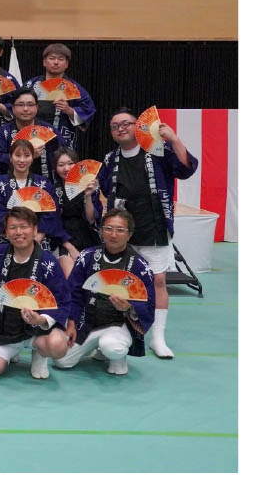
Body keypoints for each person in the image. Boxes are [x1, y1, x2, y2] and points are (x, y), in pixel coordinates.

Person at [98, 107, 198, 358]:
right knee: (118, 281)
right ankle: (115, 332)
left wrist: (173, 139)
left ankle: (158, 337)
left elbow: (186, 169)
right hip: (121, 232)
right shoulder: (110, 159)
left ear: (138, 126)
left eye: (126, 124)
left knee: (158, 281)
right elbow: (105, 189)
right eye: (114, 126)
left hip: (154, 226)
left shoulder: (158, 149)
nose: (120, 129)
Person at [55, 209, 156, 376]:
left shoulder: (140, 266)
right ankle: (97, 347)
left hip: (118, 325)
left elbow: (149, 304)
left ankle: (114, 354)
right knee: (61, 360)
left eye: (120, 230)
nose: (113, 235)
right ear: (101, 231)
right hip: (87, 323)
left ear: (129, 235)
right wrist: (71, 324)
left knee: (112, 347)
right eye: (108, 228)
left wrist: (129, 307)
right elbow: (73, 293)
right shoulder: (87, 257)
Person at [0, 207, 71, 380]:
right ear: (6, 232)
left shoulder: (48, 262)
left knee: (58, 345)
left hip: (37, 330)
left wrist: (41, 319)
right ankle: (9, 352)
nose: (19, 232)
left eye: (24, 227)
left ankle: (39, 353)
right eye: (13, 227)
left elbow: (62, 300)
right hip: (1, 329)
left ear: (35, 230)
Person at [0, 139, 78, 259]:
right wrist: (14, 232)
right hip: (9, 237)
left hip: (38, 237)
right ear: (10, 157)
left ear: (32, 158)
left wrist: (37, 236)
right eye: (18, 155)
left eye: (27, 155)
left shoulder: (43, 184)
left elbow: (51, 213)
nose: (22, 160)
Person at [21, 43, 96, 150]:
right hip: (33, 138)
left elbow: (88, 110)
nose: (56, 62)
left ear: (66, 64)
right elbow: (16, 107)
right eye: (52, 58)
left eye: (61, 59)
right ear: (44, 62)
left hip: (62, 140)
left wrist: (68, 110)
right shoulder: (31, 85)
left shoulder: (74, 88)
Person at [51, 146, 101, 275]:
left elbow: (91, 219)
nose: (66, 168)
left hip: (87, 235)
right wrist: (69, 247)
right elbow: (53, 223)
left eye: (70, 163)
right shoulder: (53, 190)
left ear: (78, 164)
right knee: (71, 275)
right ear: (55, 168)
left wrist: (88, 196)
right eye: (61, 165)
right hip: (63, 238)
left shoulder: (89, 185)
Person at [0, 89, 61, 179]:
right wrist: (27, 155)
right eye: (20, 105)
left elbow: (62, 155)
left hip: (45, 182)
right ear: (13, 108)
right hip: (12, 182)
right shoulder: (3, 132)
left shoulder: (49, 130)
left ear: (36, 108)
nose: (25, 109)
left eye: (30, 105)